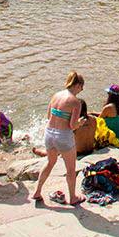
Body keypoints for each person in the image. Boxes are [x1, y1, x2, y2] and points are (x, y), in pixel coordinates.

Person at [32, 71, 90, 205]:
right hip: (63, 136)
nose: (82, 90)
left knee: (50, 162)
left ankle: (37, 192)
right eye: (82, 87)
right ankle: (73, 197)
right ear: (77, 85)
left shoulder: (56, 95)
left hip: (49, 133)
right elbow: (72, 125)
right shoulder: (75, 102)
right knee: (70, 169)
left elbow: (48, 116)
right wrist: (80, 123)